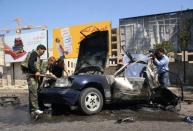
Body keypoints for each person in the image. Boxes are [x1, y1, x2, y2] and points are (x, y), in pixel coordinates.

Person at [27, 44, 46, 116]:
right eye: (43, 51)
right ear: (39, 49)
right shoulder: (34, 54)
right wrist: (36, 71)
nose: (43, 52)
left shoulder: (37, 56)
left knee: (32, 93)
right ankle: (35, 109)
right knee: (34, 93)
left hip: (33, 76)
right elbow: (30, 63)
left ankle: (32, 110)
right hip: (31, 77)